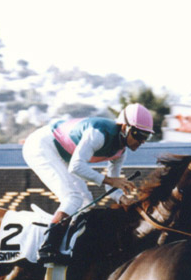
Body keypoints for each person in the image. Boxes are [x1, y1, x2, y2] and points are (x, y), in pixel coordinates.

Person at [22, 103, 154, 263]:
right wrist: (111, 180)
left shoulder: (121, 152)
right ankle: (47, 247)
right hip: (40, 145)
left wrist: (121, 198)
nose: (141, 141)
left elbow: (110, 186)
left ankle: (72, 247)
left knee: (87, 202)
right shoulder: (99, 133)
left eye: (146, 137)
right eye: (138, 134)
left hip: (62, 153)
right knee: (73, 197)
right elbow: (76, 167)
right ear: (125, 128)